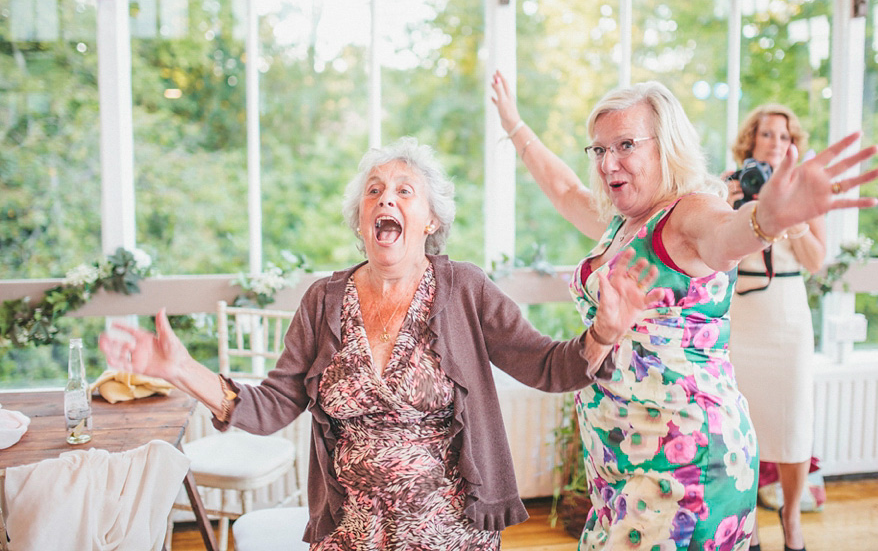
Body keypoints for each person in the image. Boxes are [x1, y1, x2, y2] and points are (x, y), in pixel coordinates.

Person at [99, 136, 667, 550]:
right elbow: (272, 406)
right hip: (351, 529)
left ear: (428, 220)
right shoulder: (323, 301)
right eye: (374, 192)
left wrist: (603, 334)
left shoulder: (463, 287)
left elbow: (549, 367)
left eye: (403, 191)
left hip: (447, 529)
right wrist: (180, 368)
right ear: (360, 221)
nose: (385, 200)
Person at [491, 71, 878, 551]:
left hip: (685, 466)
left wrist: (770, 219)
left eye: (624, 145)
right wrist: (513, 125)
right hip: (620, 469)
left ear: (666, 147)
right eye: (598, 149)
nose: (606, 161)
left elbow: (727, 236)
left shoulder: (688, 213)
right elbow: (564, 189)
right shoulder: (623, 222)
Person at [726, 104, 825, 551]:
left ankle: (791, 518)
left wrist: (797, 222)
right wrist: (731, 205)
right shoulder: (730, 185)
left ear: (794, 145)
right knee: (739, 427)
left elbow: (817, 262)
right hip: (738, 317)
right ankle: (749, 526)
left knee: (793, 424)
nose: (776, 143)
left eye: (785, 137)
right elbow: (710, 259)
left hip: (786, 316)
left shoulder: (805, 188)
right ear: (750, 141)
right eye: (767, 135)